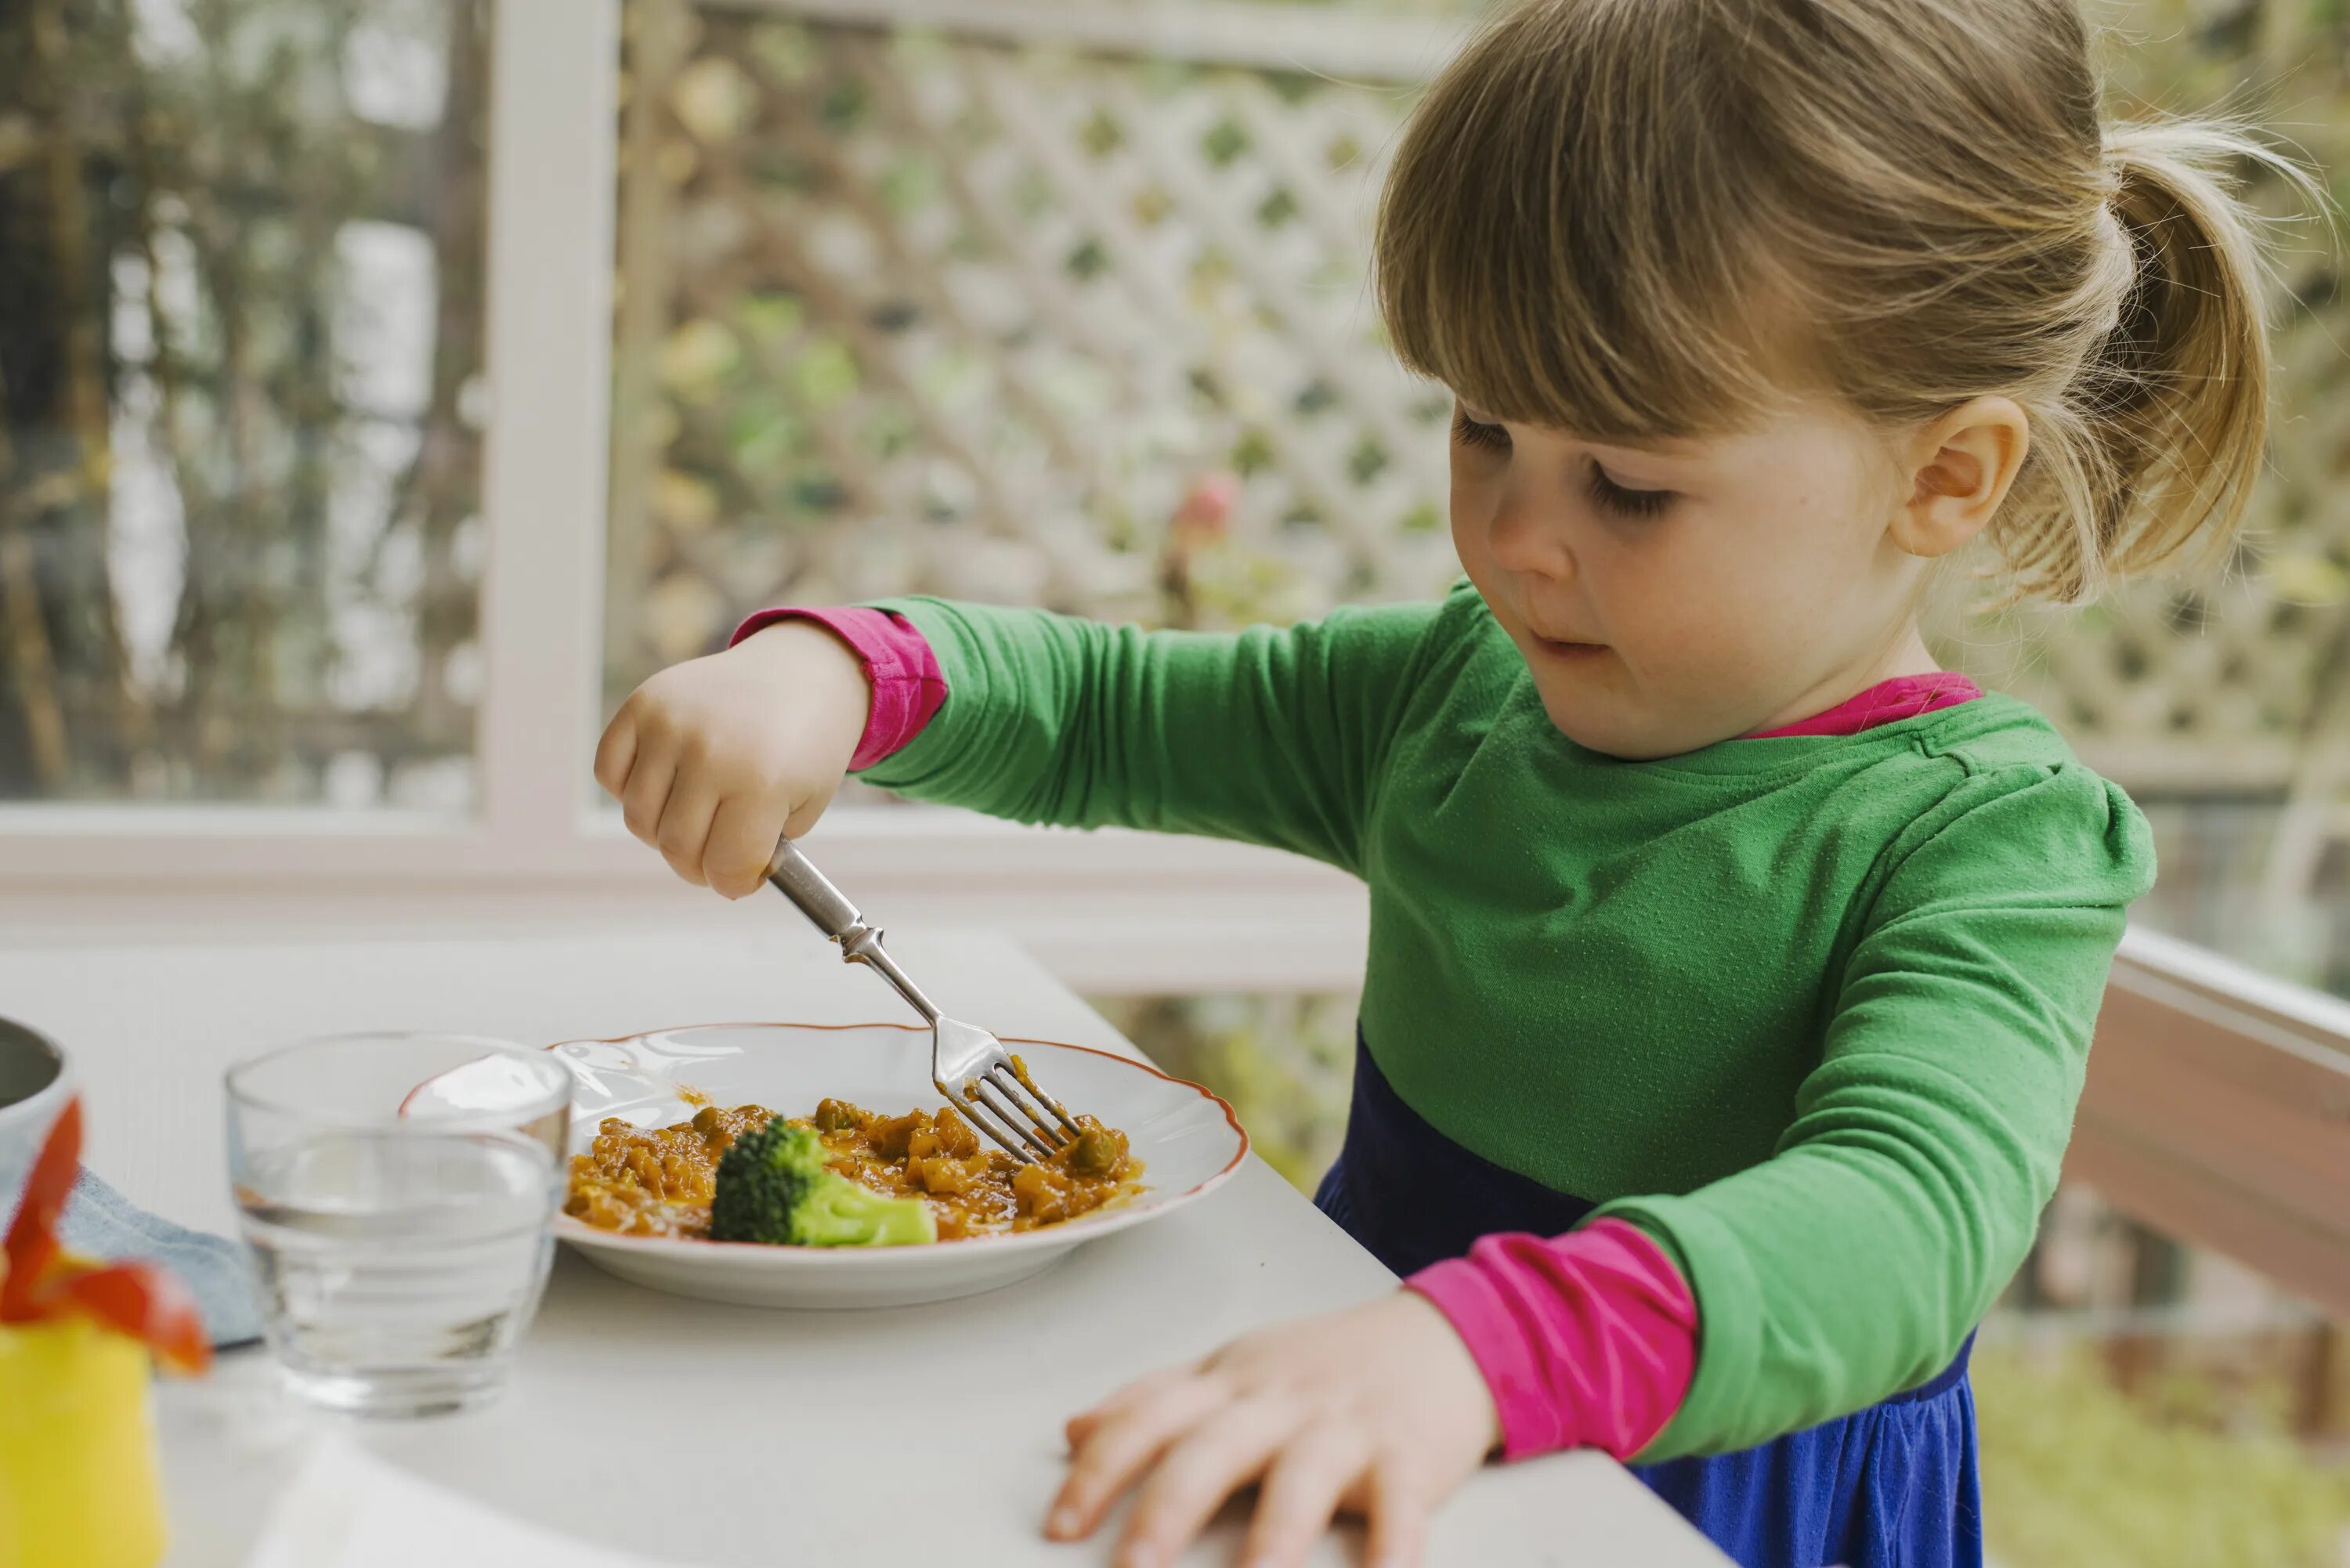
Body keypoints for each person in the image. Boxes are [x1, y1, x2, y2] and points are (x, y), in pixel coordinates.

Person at [593, 1, 2311, 1563]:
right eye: (1482, 429)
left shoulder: (1985, 835)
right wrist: (840, 671)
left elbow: (1907, 1212)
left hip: (1719, 1505)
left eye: (1626, 486)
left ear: (1944, 474)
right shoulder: (1444, 697)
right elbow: (1105, 705)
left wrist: (1483, 1344)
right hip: (1360, 1431)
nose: (1512, 534)